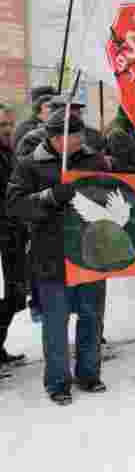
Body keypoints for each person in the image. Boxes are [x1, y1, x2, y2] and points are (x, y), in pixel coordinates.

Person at [6, 109, 110, 405]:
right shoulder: (28, 166)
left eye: (79, 135)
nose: (78, 141)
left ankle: (89, 374)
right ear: (53, 138)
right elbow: (15, 206)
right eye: (71, 136)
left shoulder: (95, 160)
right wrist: (50, 197)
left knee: (92, 316)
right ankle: (57, 382)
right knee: (56, 321)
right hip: (51, 254)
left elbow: (117, 192)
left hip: (92, 251)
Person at [0, 104, 28, 372]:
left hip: (14, 236)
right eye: (2, 126)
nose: (8, 130)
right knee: (9, 295)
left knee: (16, 295)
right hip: (4, 238)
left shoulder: (11, 154)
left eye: (9, 125)